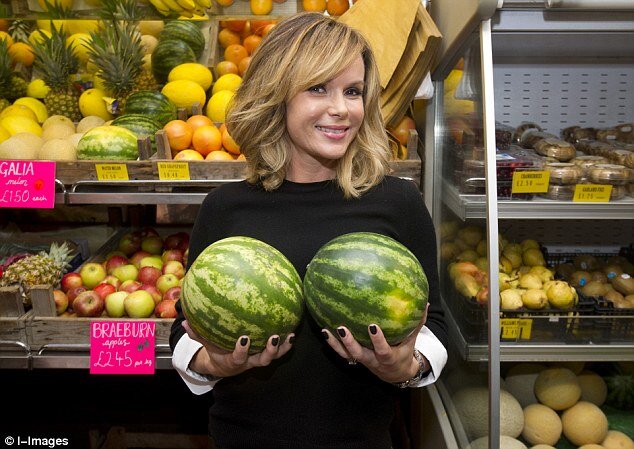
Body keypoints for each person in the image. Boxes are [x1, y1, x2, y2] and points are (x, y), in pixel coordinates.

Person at [170, 12, 448, 449]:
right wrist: (213, 364)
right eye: (319, 88)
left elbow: (433, 321)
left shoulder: (398, 202)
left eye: (353, 91)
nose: (341, 109)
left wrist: (406, 367)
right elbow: (185, 326)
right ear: (278, 95)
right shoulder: (225, 207)